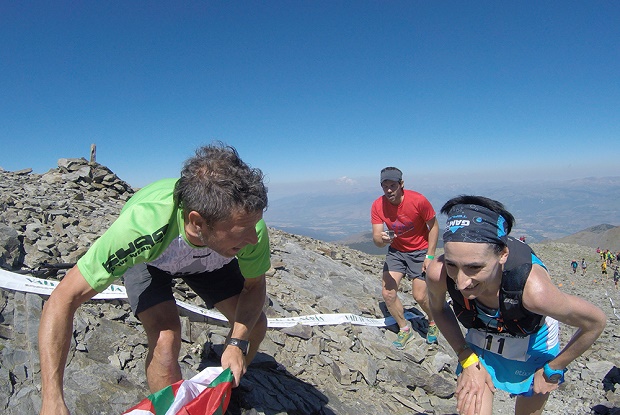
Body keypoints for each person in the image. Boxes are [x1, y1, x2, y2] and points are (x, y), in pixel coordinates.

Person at [38, 143, 271, 415]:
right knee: (165, 340)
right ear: (197, 222)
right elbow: (63, 298)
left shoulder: (250, 226)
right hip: (152, 259)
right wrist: (52, 400)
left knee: (255, 325)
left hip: (213, 258)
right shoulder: (141, 227)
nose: (254, 239)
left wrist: (236, 343)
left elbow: (254, 286)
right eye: (242, 231)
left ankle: (226, 388)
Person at [426, 195, 606, 415]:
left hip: (532, 341)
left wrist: (554, 368)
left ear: (503, 254)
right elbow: (438, 308)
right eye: (452, 264)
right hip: (483, 334)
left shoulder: (535, 293)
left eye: (474, 267)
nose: (462, 283)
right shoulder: (439, 274)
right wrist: (465, 355)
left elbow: (595, 322)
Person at [370, 167, 440, 348]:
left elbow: (433, 227)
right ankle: (404, 328)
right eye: (384, 186)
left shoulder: (418, 200)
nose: (388, 190)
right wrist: (381, 239)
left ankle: (433, 322)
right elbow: (377, 239)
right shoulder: (378, 205)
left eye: (392, 185)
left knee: (420, 295)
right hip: (397, 251)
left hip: (420, 250)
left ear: (401, 184)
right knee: (388, 293)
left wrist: (430, 255)